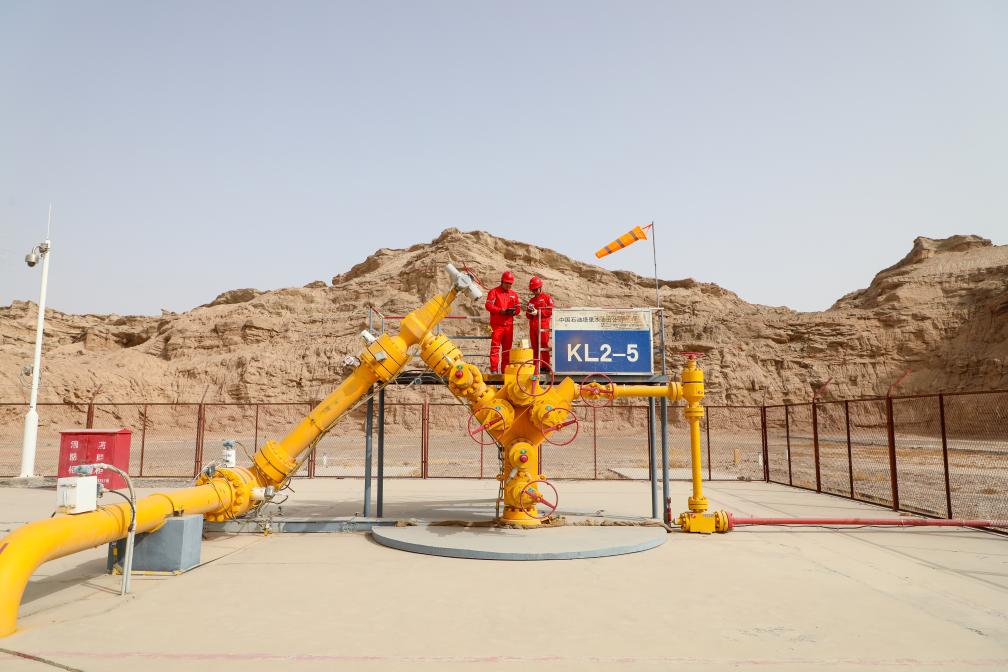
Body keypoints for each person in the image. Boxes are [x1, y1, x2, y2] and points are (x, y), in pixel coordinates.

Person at [485, 270, 520, 373]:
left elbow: (518, 308)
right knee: (495, 347)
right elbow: (488, 305)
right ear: (502, 281)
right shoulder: (494, 292)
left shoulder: (513, 294)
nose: (509, 285)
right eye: (507, 283)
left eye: (510, 284)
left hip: (509, 325)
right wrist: (500, 311)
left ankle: (505, 371)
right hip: (497, 325)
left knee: (507, 350)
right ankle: (494, 370)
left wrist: (514, 312)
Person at [525, 276, 554, 368]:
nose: (534, 291)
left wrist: (538, 312)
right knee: (535, 347)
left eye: (536, 289)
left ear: (540, 287)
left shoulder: (547, 298)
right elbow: (528, 315)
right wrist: (530, 312)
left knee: (544, 346)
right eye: (533, 290)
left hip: (543, 326)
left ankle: (545, 366)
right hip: (533, 327)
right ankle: (536, 366)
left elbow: (550, 311)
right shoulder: (531, 301)